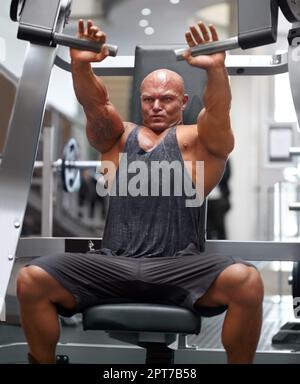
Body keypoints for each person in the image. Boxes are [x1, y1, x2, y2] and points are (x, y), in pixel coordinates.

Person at [16, 19, 264, 364]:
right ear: (141, 101)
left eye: (166, 99)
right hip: (113, 264)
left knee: (247, 282)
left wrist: (217, 72)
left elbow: (218, 112)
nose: (156, 106)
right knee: (31, 279)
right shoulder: (119, 138)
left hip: (178, 267)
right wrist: (81, 64)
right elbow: (96, 104)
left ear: (184, 101)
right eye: (149, 99)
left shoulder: (198, 142)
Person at [207, 159, 231, 239]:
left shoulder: (224, 157)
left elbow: (227, 175)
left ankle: (223, 250)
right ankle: (208, 251)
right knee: (206, 230)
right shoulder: (200, 156)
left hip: (219, 199)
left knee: (220, 227)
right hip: (204, 200)